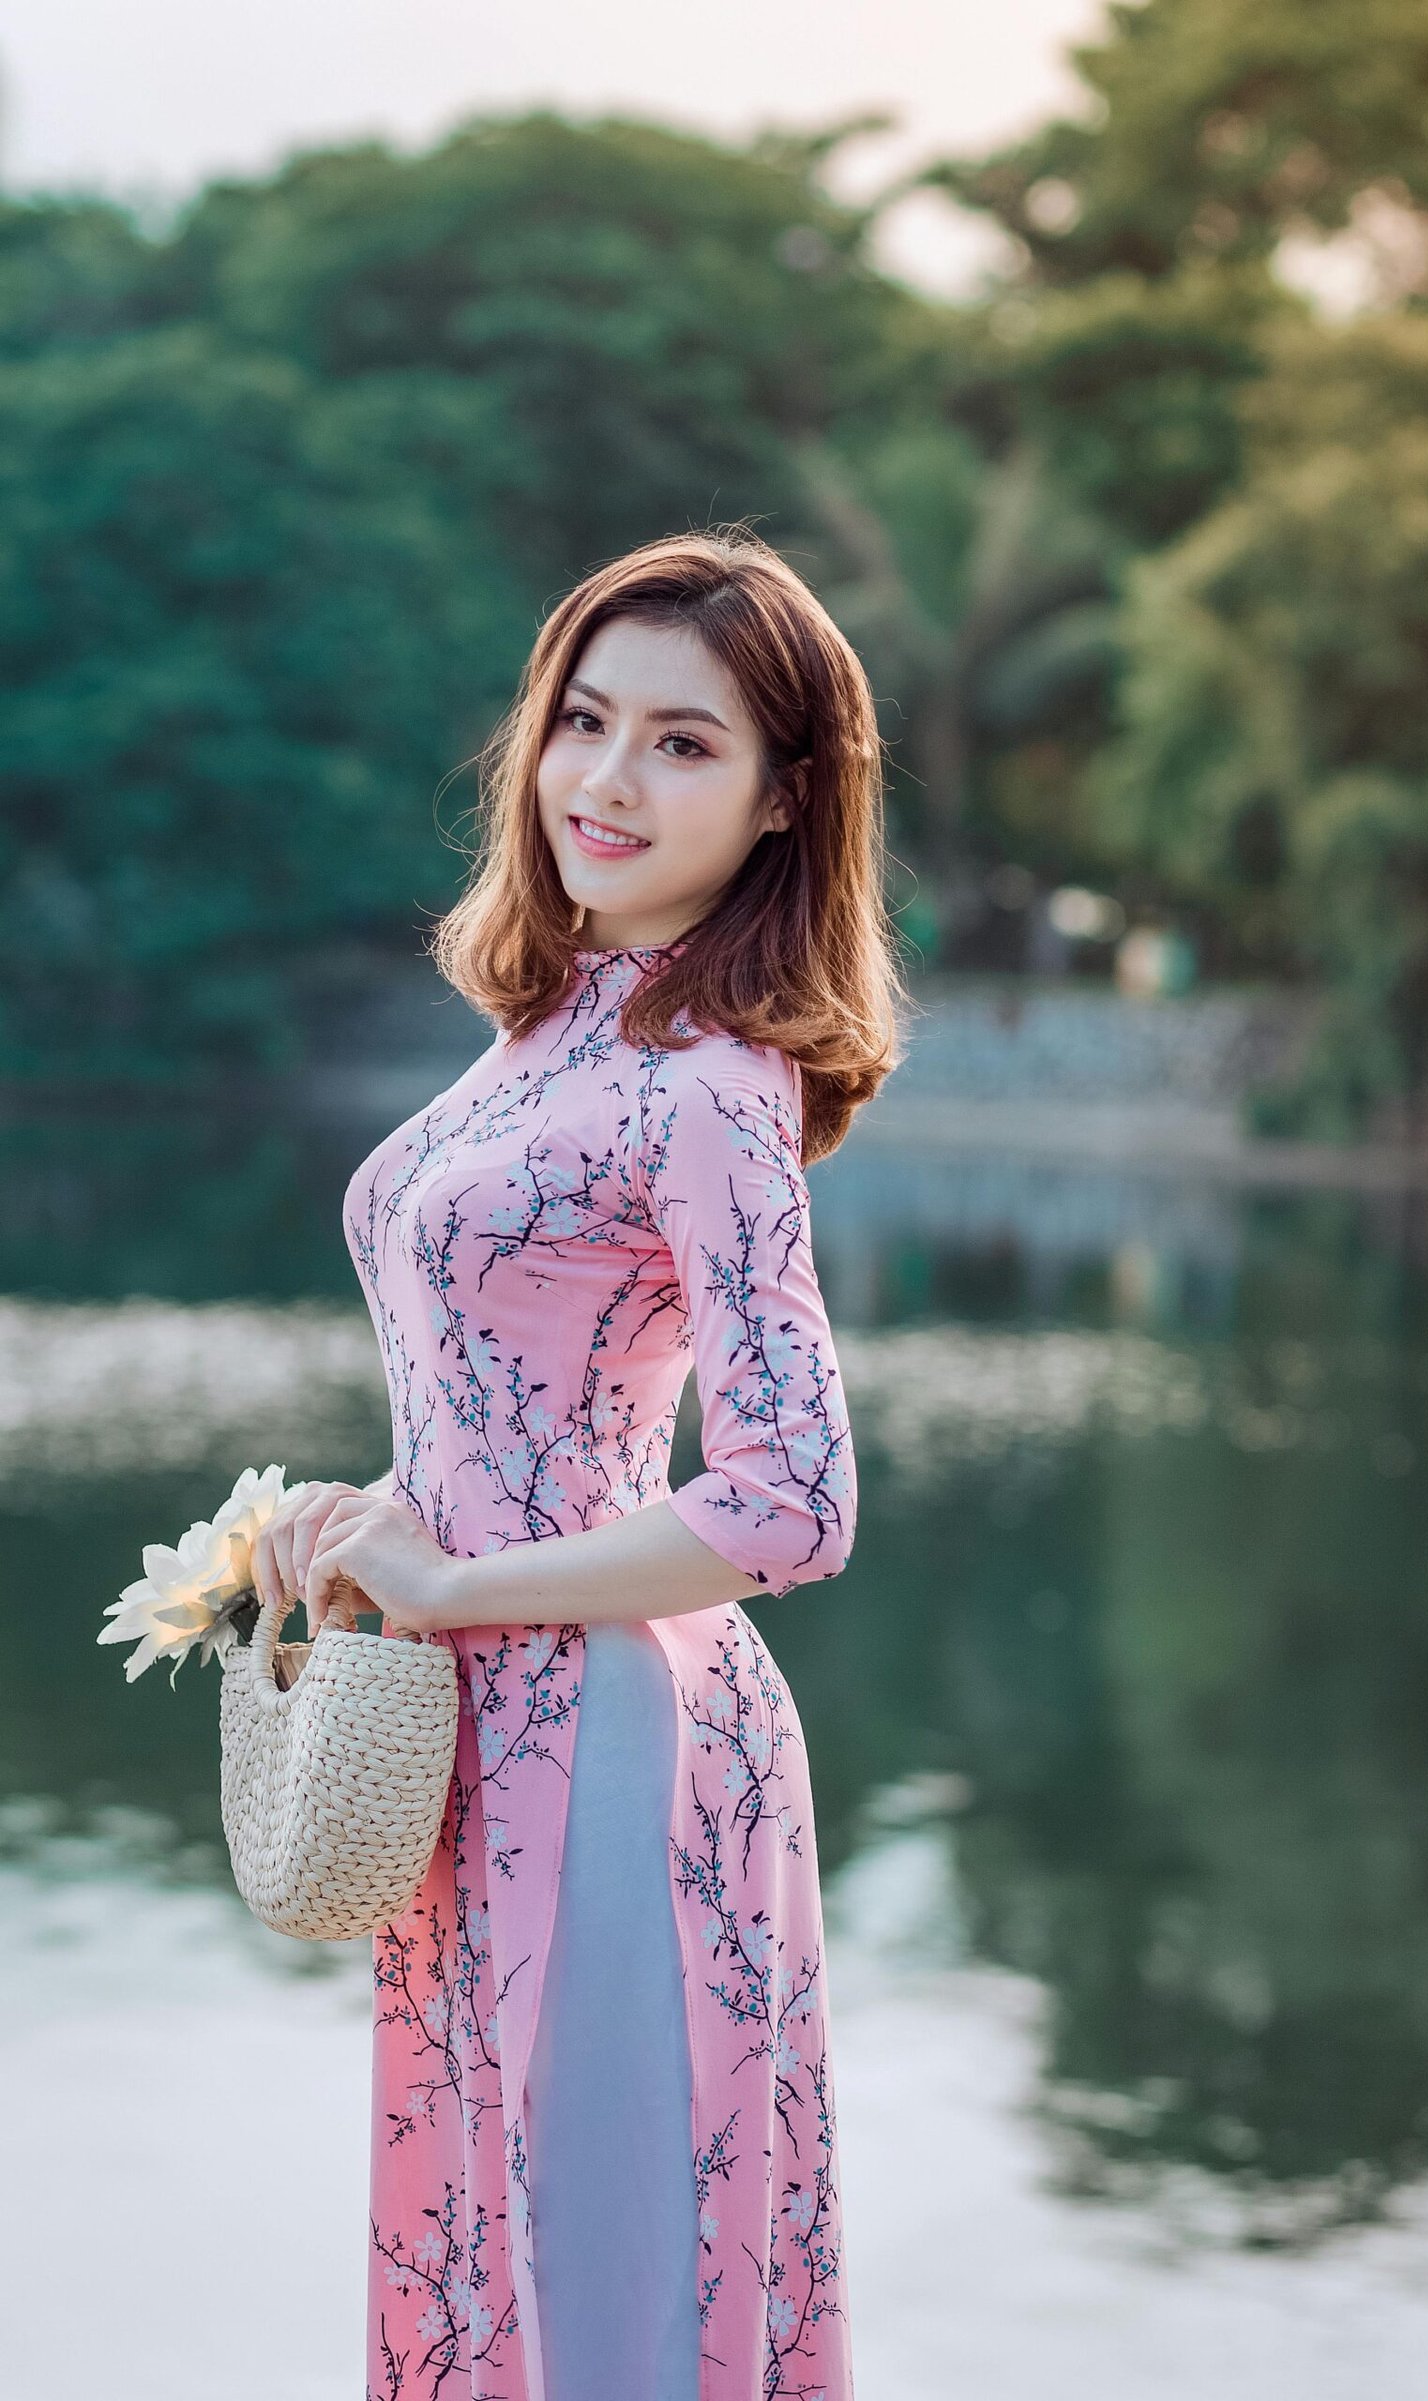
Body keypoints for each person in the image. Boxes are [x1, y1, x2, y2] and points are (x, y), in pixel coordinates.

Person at [250, 524, 907, 2401]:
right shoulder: (560, 1019)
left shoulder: (714, 1078)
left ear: (785, 799)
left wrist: (458, 1579)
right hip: (480, 1716)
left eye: (684, 743)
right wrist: (370, 1527)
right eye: (586, 719)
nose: (607, 779)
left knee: (601, 2284)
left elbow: (794, 1499)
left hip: (615, 1742)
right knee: (496, 2250)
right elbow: (499, 1399)